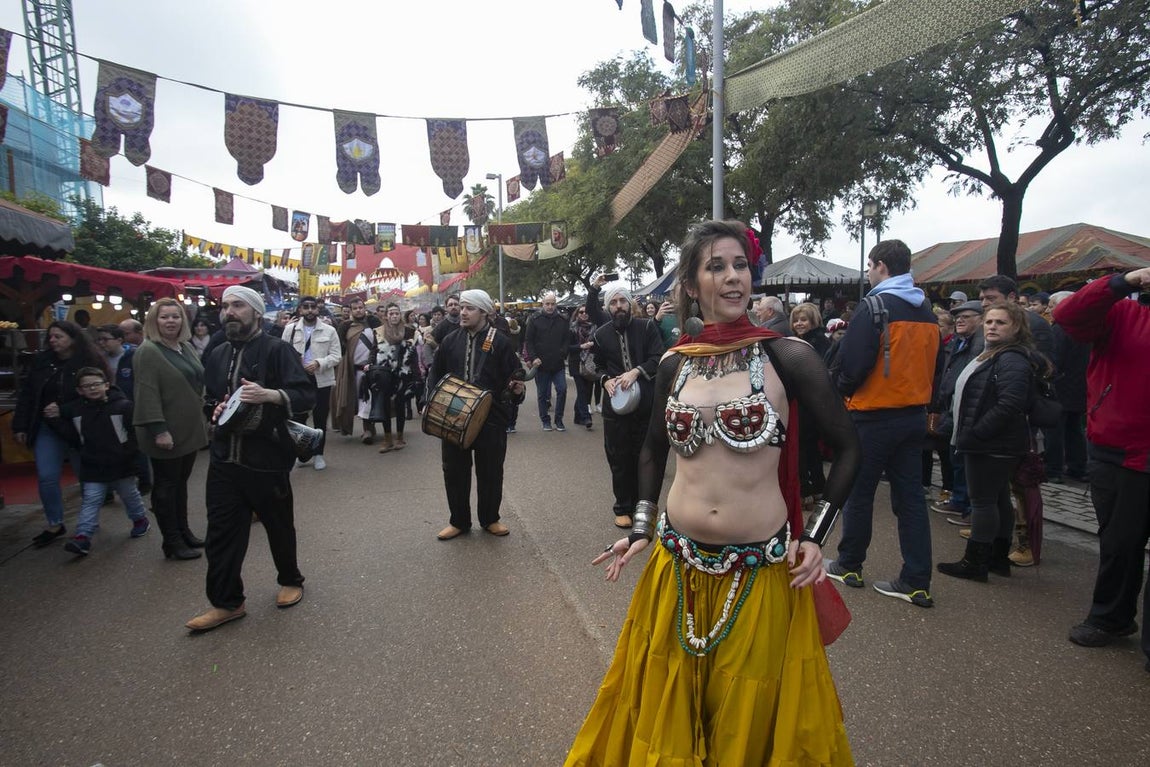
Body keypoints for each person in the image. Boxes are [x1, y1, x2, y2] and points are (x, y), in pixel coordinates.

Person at [564, 220, 860, 766]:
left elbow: (848, 449)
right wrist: (640, 527)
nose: (732, 278)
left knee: (746, 713)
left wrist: (815, 539)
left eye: (740, 265)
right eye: (716, 267)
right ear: (691, 284)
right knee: (667, 704)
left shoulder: (787, 357)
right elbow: (653, 449)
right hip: (675, 567)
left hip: (760, 569)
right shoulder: (678, 361)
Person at [186, 286, 314, 633]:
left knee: (278, 525)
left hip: (268, 457)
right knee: (222, 533)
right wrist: (214, 409)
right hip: (225, 458)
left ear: (256, 312)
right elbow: (211, 397)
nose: (229, 312)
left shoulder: (277, 350)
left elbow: (305, 394)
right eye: (226, 306)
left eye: (238, 305)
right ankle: (227, 602)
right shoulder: (216, 353)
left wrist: (271, 394)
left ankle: (290, 579)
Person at [826, 239, 940, 608]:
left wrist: (840, 393)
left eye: (870, 266)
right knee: (910, 499)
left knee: (859, 493)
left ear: (879, 266)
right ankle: (917, 579)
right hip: (913, 414)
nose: (869, 272)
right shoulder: (926, 310)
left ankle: (849, 564)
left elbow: (853, 364)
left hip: (873, 413)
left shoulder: (874, 305)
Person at [1054, 268, 1150, 669]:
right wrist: (1123, 282)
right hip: (1119, 452)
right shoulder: (1124, 313)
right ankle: (1111, 617)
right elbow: (1069, 316)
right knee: (1120, 543)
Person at [937, 301, 1039, 581]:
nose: (992, 327)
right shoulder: (992, 353)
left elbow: (1010, 404)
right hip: (987, 441)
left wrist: (977, 432)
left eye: (1001, 322)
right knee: (996, 500)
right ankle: (996, 558)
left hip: (992, 444)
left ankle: (976, 562)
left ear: (1016, 327)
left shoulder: (1012, 358)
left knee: (983, 501)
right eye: (990, 322)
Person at [425, 289, 525, 541]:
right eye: (462, 307)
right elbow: (435, 375)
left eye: (469, 308)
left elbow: (514, 377)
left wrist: (516, 390)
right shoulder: (449, 340)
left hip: (491, 417)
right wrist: (427, 402)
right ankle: (459, 521)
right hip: (452, 415)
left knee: (491, 470)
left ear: (484, 312)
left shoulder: (500, 341)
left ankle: (490, 518)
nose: (463, 312)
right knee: (454, 470)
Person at [12, 321, 110, 547]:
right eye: (51, 337)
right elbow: (28, 394)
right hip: (47, 427)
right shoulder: (42, 362)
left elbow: (102, 394)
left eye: (58, 336)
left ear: (73, 338)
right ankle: (55, 522)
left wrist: (65, 409)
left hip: (78, 427)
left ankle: (88, 519)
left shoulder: (90, 362)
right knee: (47, 476)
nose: (53, 341)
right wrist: (20, 425)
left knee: (85, 474)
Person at [132, 298, 209, 560]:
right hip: (166, 431)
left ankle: (184, 531)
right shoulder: (148, 351)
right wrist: (158, 429)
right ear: (154, 320)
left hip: (187, 428)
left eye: (175, 317)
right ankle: (171, 541)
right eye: (164, 317)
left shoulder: (183, 346)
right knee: (165, 487)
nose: (170, 321)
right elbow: (147, 393)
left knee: (180, 485)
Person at [50, 367, 151, 555]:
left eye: (96, 384)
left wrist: (130, 454)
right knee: (91, 500)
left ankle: (140, 519)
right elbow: (72, 435)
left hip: (121, 463)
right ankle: (83, 536)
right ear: (80, 390)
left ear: (106, 385)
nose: (92, 388)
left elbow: (135, 433)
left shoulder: (122, 406)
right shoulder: (75, 410)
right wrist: (54, 419)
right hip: (92, 465)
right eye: (87, 386)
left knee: (129, 494)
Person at [590, 283, 665, 529]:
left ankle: (644, 508)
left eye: (622, 301)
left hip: (645, 403)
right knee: (619, 457)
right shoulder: (600, 334)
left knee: (645, 456)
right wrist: (605, 380)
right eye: (613, 302)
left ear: (630, 303)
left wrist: (636, 371)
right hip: (616, 406)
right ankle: (623, 507)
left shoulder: (647, 327)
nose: (619, 306)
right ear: (608, 307)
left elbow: (659, 357)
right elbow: (594, 366)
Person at [928, 301, 985, 524]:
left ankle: (969, 507)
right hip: (953, 405)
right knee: (955, 456)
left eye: (967, 317)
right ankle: (960, 500)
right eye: (958, 317)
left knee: (964, 460)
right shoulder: (963, 342)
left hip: (967, 409)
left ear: (980, 319)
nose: (960, 320)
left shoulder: (978, 344)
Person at [281, 296, 342, 470]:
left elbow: (336, 356)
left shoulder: (329, 330)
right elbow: (283, 354)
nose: (309, 310)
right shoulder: (290, 330)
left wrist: (318, 363)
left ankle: (318, 454)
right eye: (305, 307)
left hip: (321, 379)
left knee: (320, 417)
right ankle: (303, 452)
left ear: (318, 309)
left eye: (312, 307)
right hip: (297, 380)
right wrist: (295, 363)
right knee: (297, 418)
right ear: (300, 310)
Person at [97, 323, 152, 495]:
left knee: (134, 444)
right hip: (105, 408)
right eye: (99, 340)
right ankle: (108, 490)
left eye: (106, 339)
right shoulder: (99, 359)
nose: (102, 343)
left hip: (129, 407)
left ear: (119, 340)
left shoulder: (134, 356)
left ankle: (144, 480)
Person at [1043, 290, 1089, 484]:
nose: (1048, 309)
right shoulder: (1084, 328)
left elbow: (1055, 360)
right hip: (1078, 387)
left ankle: (1053, 469)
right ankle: (1078, 467)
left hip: (1060, 387)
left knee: (1054, 430)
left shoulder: (1059, 329)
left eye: (1052, 305)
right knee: (1074, 430)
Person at [367, 303, 419, 453]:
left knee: (400, 404)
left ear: (400, 315)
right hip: (384, 373)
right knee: (384, 404)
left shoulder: (410, 331)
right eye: (391, 313)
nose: (394, 316)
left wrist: (417, 376)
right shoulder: (378, 332)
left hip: (403, 373)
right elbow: (373, 350)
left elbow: (413, 354)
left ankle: (400, 438)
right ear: (386, 316)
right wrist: (369, 364)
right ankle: (387, 438)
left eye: (396, 313)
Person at [331, 298, 380, 442]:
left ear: (364, 308)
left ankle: (368, 430)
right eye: (355, 308)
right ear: (351, 310)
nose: (358, 310)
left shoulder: (374, 323)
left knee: (368, 399)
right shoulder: (345, 326)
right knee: (355, 399)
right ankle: (363, 428)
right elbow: (339, 348)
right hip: (353, 370)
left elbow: (383, 341)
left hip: (373, 368)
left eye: (361, 307)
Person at [977, 275, 1054, 364]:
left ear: (1011, 297)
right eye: (982, 299)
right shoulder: (982, 323)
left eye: (991, 298)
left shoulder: (1034, 323)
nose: (984, 304)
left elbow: (1042, 363)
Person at [525, 291, 570, 431]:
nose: (550, 307)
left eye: (553, 304)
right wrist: (533, 358)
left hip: (558, 364)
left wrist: (563, 352)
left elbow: (566, 339)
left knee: (562, 390)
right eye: (547, 304)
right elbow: (528, 340)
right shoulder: (534, 319)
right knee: (542, 394)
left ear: (556, 304)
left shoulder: (563, 320)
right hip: (541, 364)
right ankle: (545, 420)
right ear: (543, 304)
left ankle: (559, 420)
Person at [568, 306, 596, 430]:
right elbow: (568, 347)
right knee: (581, 390)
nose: (584, 314)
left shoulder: (595, 328)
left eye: (586, 312)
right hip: (576, 362)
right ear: (577, 314)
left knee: (587, 390)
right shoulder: (571, 328)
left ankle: (577, 416)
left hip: (590, 363)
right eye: (581, 312)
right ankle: (586, 417)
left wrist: (592, 346)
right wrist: (582, 346)